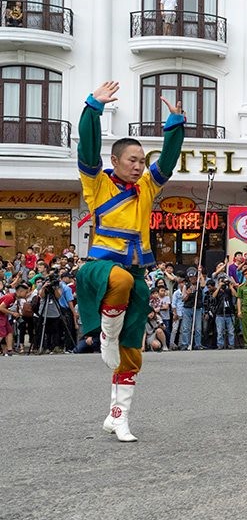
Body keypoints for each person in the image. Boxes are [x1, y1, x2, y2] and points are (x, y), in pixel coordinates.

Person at [75, 82, 186, 441]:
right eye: (132, 160)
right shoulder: (97, 184)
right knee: (119, 280)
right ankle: (106, 335)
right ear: (116, 161)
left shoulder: (148, 187)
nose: (139, 166)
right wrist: (93, 108)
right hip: (102, 269)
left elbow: (167, 161)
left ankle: (118, 416)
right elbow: (88, 148)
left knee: (132, 353)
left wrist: (175, 125)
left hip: (137, 272)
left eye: (142, 161)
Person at [212, 276, 237, 350]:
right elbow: (213, 296)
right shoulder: (217, 290)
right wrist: (219, 287)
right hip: (219, 313)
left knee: (231, 331)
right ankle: (220, 345)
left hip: (230, 313)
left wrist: (230, 286)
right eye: (221, 282)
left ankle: (231, 344)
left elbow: (235, 295)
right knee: (220, 331)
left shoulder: (228, 290)